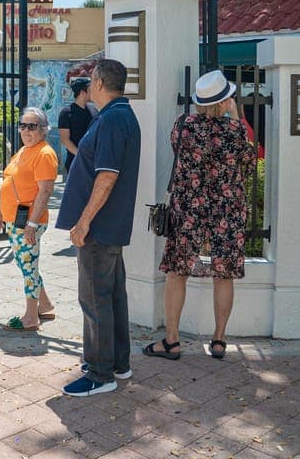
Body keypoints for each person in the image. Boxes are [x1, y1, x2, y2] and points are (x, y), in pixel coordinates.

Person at [144, 69, 254, 362]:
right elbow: (249, 164)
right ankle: (218, 340)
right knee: (224, 275)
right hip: (227, 212)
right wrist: (233, 113)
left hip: (189, 210)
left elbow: (178, 152)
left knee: (177, 272)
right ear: (224, 101)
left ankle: (172, 340)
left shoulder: (183, 126)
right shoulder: (237, 130)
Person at [56, 59, 141, 397]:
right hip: (109, 227)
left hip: (99, 228)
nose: (87, 85)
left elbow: (106, 176)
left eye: (91, 79)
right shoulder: (117, 115)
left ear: (101, 82)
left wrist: (83, 221)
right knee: (111, 296)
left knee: (94, 299)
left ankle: (99, 372)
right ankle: (118, 363)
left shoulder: (112, 119)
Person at [0, 107, 58, 331]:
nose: (26, 131)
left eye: (32, 126)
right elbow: (11, 181)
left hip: (29, 222)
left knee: (28, 267)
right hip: (14, 219)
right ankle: (45, 305)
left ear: (43, 130)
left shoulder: (44, 153)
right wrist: (1, 212)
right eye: (23, 125)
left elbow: (45, 191)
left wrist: (31, 224)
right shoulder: (23, 151)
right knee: (26, 264)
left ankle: (31, 317)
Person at [57, 76, 98, 172]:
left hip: (93, 161)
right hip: (75, 162)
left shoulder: (94, 110)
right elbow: (65, 140)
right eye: (90, 89)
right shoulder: (66, 112)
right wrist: (81, 155)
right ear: (83, 92)